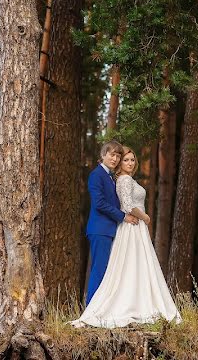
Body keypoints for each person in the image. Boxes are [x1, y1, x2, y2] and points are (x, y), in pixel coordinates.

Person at [73, 147, 181, 328]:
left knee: (129, 266)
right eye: (125, 159)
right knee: (103, 270)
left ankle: (131, 302)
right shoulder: (118, 179)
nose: (129, 163)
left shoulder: (118, 178)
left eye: (131, 160)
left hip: (128, 227)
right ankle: (92, 311)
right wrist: (144, 217)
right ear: (105, 156)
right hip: (118, 226)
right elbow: (126, 205)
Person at [84, 140, 139, 305]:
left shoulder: (109, 176)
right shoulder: (97, 175)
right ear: (103, 155)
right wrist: (123, 216)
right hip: (100, 229)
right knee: (99, 270)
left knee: (107, 271)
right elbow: (99, 203)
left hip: (108, 229)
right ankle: (90, 309)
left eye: (117, 156)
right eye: (112, 155)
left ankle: (99, 308)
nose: (115, 159)